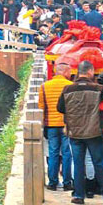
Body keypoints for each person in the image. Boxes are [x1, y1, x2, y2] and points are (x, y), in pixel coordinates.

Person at [57, 61, 103, 205]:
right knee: (99, 163)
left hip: (75, 132)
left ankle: (79, 195)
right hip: (94, 131)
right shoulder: (98, 89)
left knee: (78, 164)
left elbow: (60, 108)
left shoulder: (67, 89)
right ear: (90, 71)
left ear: (78, 72)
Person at [39, 63, 73, 191]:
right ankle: (67, 182)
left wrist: (43, 125)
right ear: (64, 72)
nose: (70, 74)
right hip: (66, 125)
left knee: (53, 153)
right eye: (69, 71)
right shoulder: (70, 86)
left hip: (51, 125)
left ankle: (52, 182)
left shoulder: (44, 86)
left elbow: (41, 107)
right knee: (66, 153)